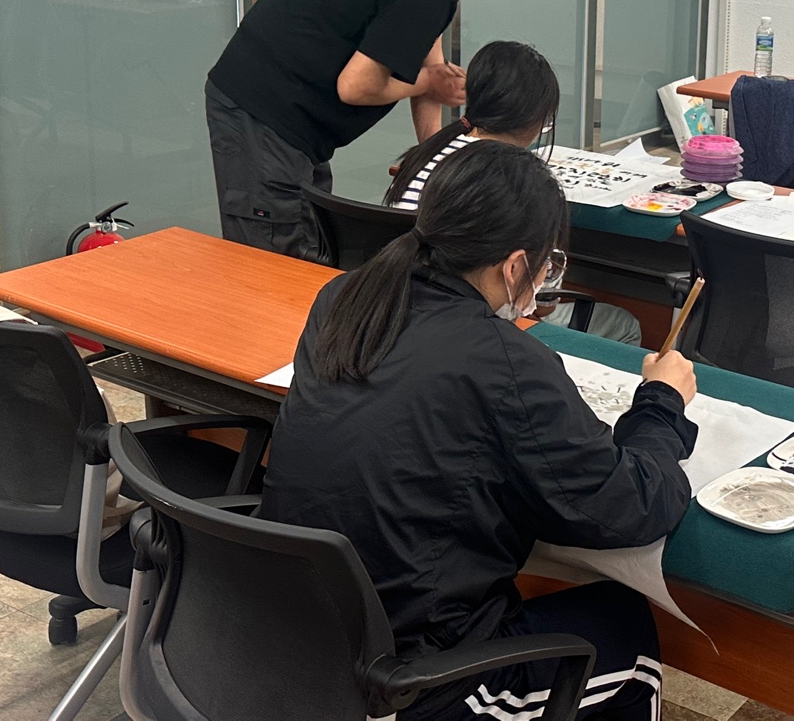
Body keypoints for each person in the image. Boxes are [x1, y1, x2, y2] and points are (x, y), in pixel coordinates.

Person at [259, 139, 697, 721]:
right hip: (409, 684)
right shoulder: (505, 360)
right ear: (515, 267)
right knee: (625, 624)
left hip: (285, 633)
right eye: (546, 264)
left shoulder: (344, 298)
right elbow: (633, 507)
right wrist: (663, 403)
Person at [205, 0, 569, 260]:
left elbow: (427, 49)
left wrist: (433, 155)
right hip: (264, 111)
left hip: (286, 114)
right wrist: (426, 83)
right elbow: (356, 86)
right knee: (277, 262)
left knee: (313, 246)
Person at [386, 39, 643, 344]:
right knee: (624, 325)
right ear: (537, 118)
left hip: (404, 308)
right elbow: (541, 307)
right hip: (472, 324)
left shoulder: (424, 155)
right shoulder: (522, 184)